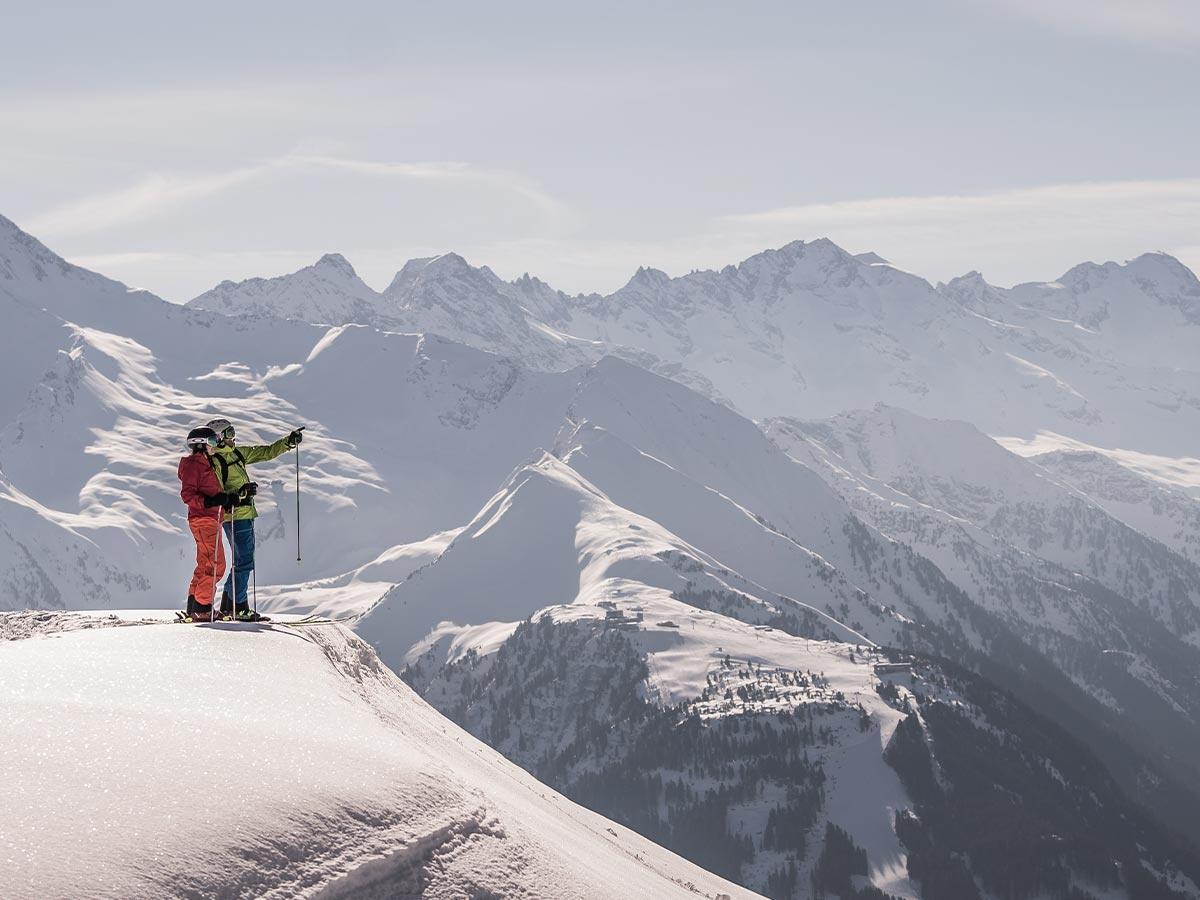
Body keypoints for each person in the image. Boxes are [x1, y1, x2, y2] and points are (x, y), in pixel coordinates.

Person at [206, 417, 303, 621]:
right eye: (230, 433)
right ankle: (239, 608)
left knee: (241, 561)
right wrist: (241, 492)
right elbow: (217, 493)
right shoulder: (215, 462)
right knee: (244, 562)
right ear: (219, 438)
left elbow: (265, 452)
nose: (234, 437)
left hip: (245, 514)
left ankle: (229, 605)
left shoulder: (238, 454)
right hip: (234, 516)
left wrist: (288, 442)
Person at [177, 426, 243, 622]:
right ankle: (203, 609)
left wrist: (226, 499)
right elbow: (188, 495)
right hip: (203, 519)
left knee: (205, 563)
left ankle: (194, 606)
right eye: (213, 442)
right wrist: (212, 502)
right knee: (216, 565)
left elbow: (211, 492)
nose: (216, 446)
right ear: (202, 445)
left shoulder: (205, 464)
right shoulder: (193, 465)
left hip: (209, 518)